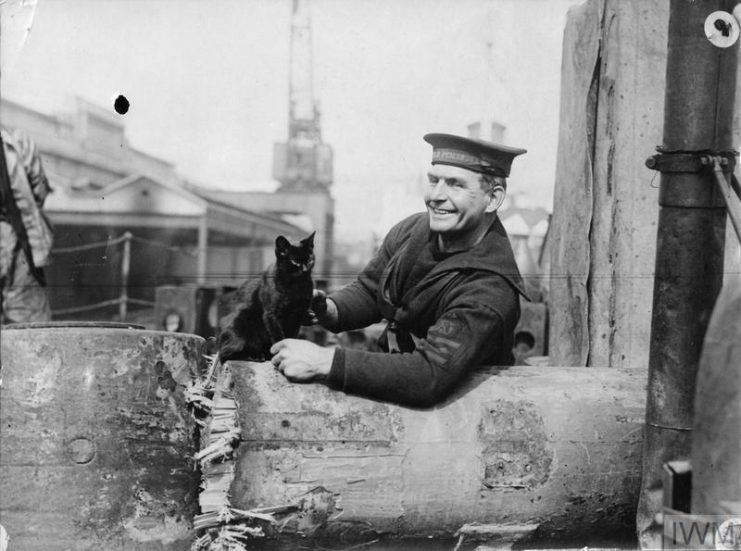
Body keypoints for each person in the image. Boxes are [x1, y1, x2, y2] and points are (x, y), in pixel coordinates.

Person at [270, 133, 528, 407]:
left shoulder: (489, 289)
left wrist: (324, 361)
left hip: (460, 418)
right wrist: (329, 309)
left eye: (455, 185)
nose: (436, 196)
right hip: (396, 386)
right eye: (433, 180)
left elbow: (428, 374)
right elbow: (371, 290)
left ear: (493, 199)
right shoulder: (413, 231)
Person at [0, 127, 53, 324]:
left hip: (19, 246)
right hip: (14, 239)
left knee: (30, 324)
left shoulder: (18, 143)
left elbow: (38, 191)